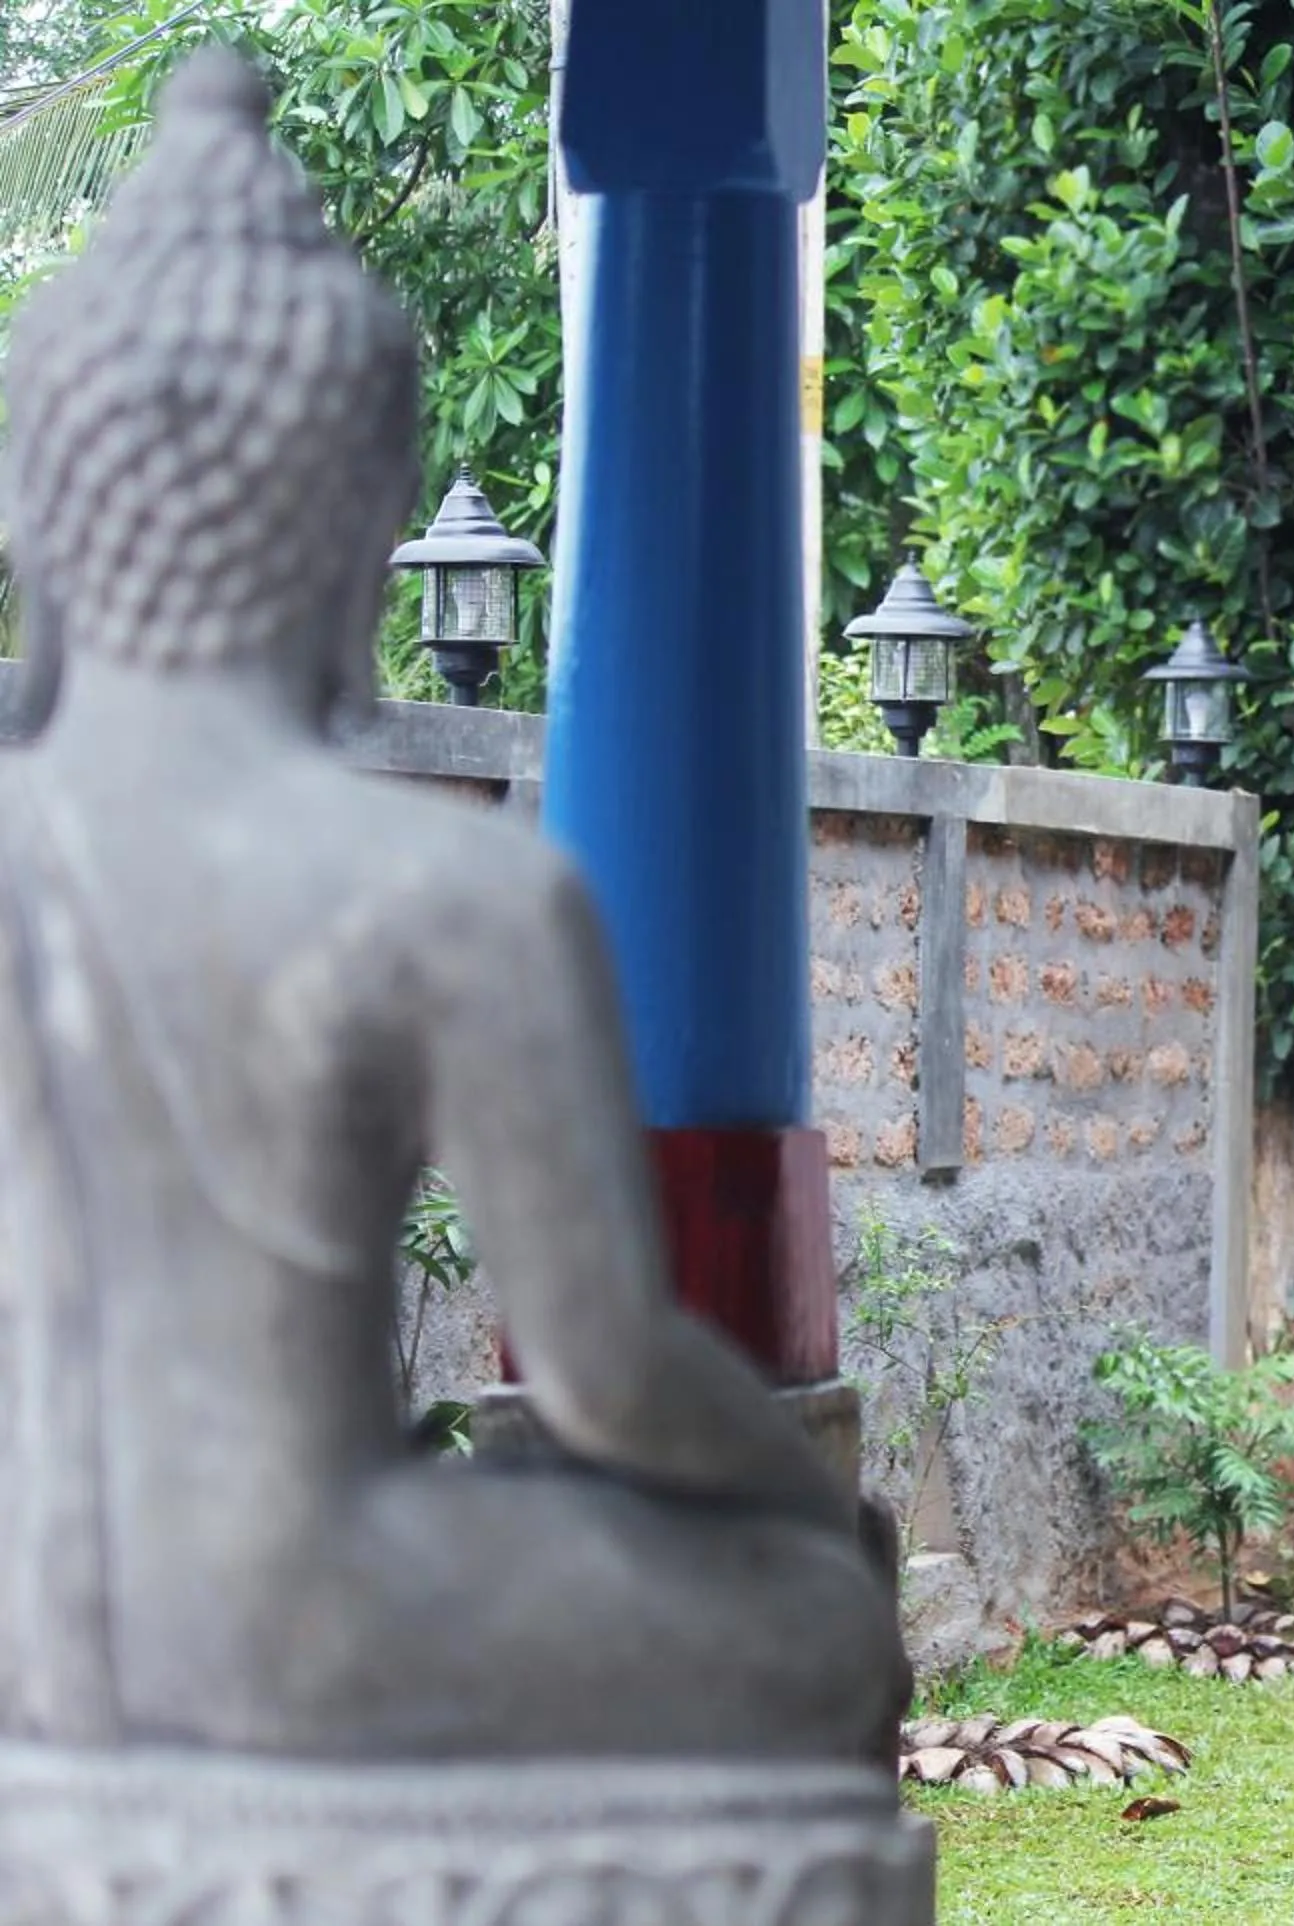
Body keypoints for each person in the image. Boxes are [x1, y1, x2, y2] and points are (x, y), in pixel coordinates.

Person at [0, 48, 903, 1762]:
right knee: (817, 1617)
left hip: (28, 1624)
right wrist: (798, 1496)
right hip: (297, 1623)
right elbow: (605, 1368)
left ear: (48, 518)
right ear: (356, 523)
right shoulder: (447, 890)